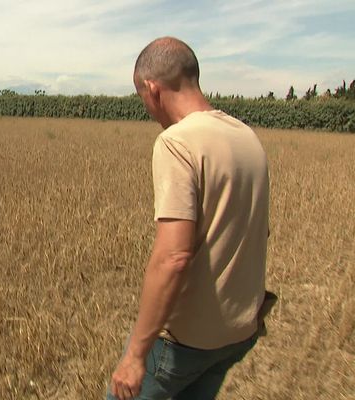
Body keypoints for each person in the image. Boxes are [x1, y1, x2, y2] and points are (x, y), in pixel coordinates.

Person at [107, 37, 270, 400]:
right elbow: (260, 232)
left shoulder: (177, 142)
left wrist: (135, 355)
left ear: (152, 90)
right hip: (236, 333)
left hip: (183, 343)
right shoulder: (246, 137)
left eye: (142, 99)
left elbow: (173, 257)